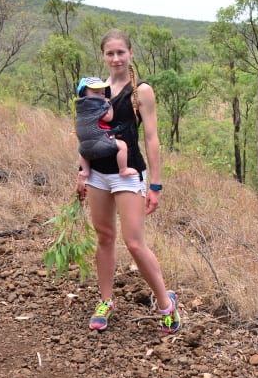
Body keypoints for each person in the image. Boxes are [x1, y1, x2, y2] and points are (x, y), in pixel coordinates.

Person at [74, 29, 181, 334]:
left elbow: (152, 138)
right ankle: (105, 301)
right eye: (110, 53)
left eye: (121, 52)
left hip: (129, 172)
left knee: (134, 242)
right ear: (103, 56)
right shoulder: (96, 89)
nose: (116, 58)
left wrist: (155, 185)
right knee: (105, 237)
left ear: (131, 53)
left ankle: (166, 305)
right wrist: (82, 172)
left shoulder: (141, 91)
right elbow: (86, 132)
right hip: (98, 173)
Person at [74, 77, 138, 178]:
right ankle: (123, 169)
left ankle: (85, 170)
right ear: (84, 93)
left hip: (84, 148)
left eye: (103, 93)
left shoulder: (79, 107)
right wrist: (109, 105)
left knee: (82, 153)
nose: (100, 96)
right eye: (96, 92)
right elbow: (108, 118)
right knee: (122, 146)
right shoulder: (96, 106)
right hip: (101, 141)